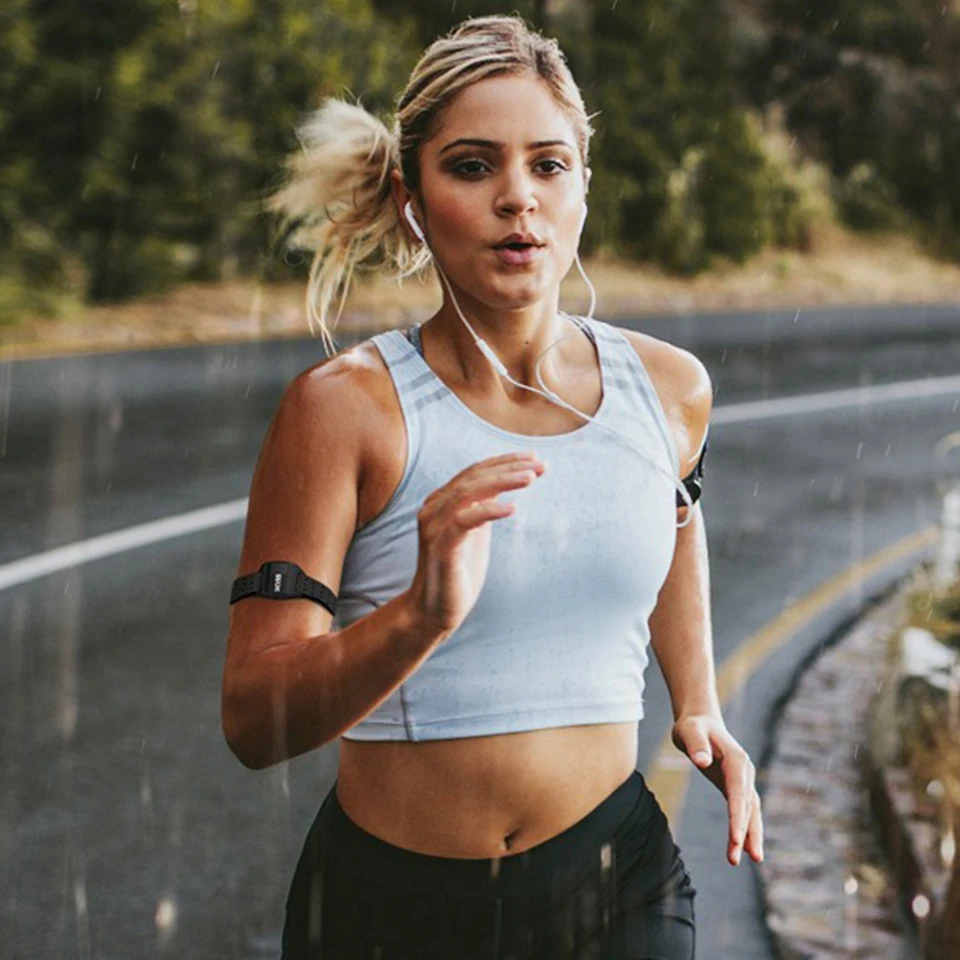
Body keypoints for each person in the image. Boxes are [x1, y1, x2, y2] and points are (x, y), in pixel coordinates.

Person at [221, 14, 763, 960]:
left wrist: (697, 699)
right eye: (472, 167)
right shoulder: (344, 410)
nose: (519, 197)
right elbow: (253, 722)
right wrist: (417, 617)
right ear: (412, 200)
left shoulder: (670, 389)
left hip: (618, 888)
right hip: (391, 913)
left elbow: (676, 516)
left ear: (584, 186)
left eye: (548, 165)